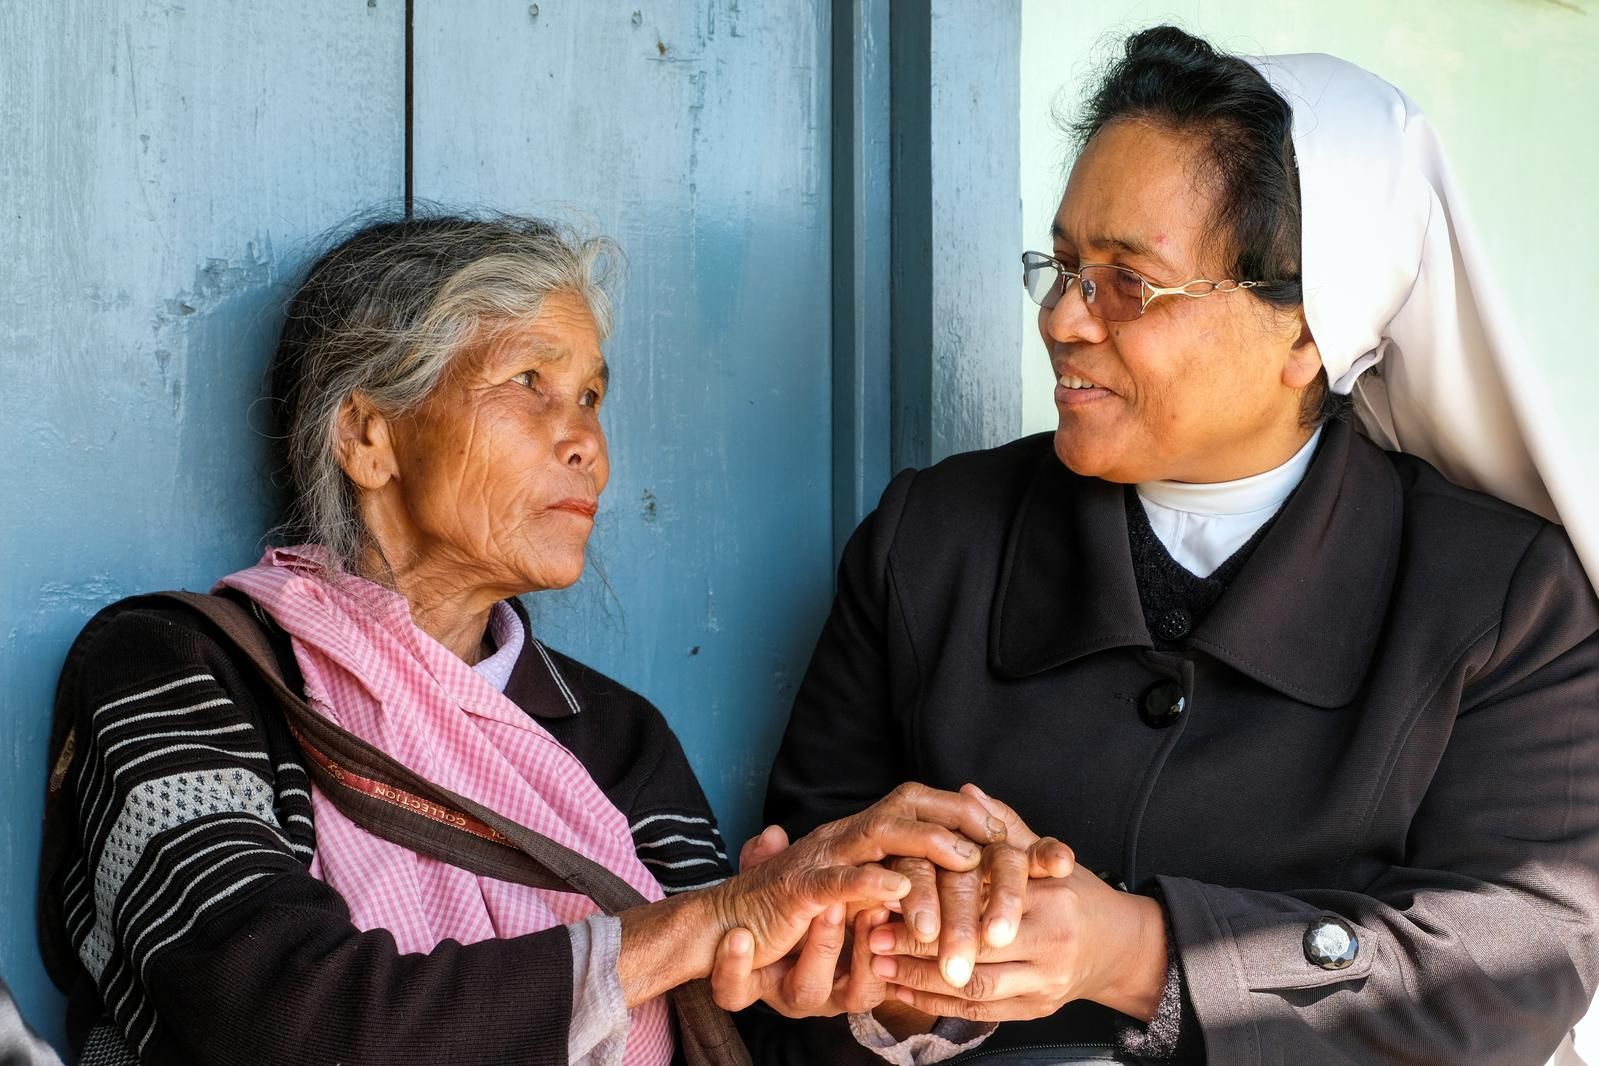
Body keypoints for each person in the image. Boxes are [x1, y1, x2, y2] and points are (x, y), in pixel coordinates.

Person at [740, 27, 1599, 1065]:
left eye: (1127, 282)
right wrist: (900, 984)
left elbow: (1511, 969)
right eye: (1061, 267)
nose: (1062, 318)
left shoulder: (1503, 601)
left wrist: (1134, 951)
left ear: (1305, 331)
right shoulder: (932, 543)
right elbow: (803, 908)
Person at [38, 215, 1066, 1065]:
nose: (587, 440)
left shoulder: (609, 737)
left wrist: (884, 969)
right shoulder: (178, 670)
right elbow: (269, 1019)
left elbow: (719, 1016)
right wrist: (715, 919)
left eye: (589, 397)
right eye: (528, 382)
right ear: (368, 435)